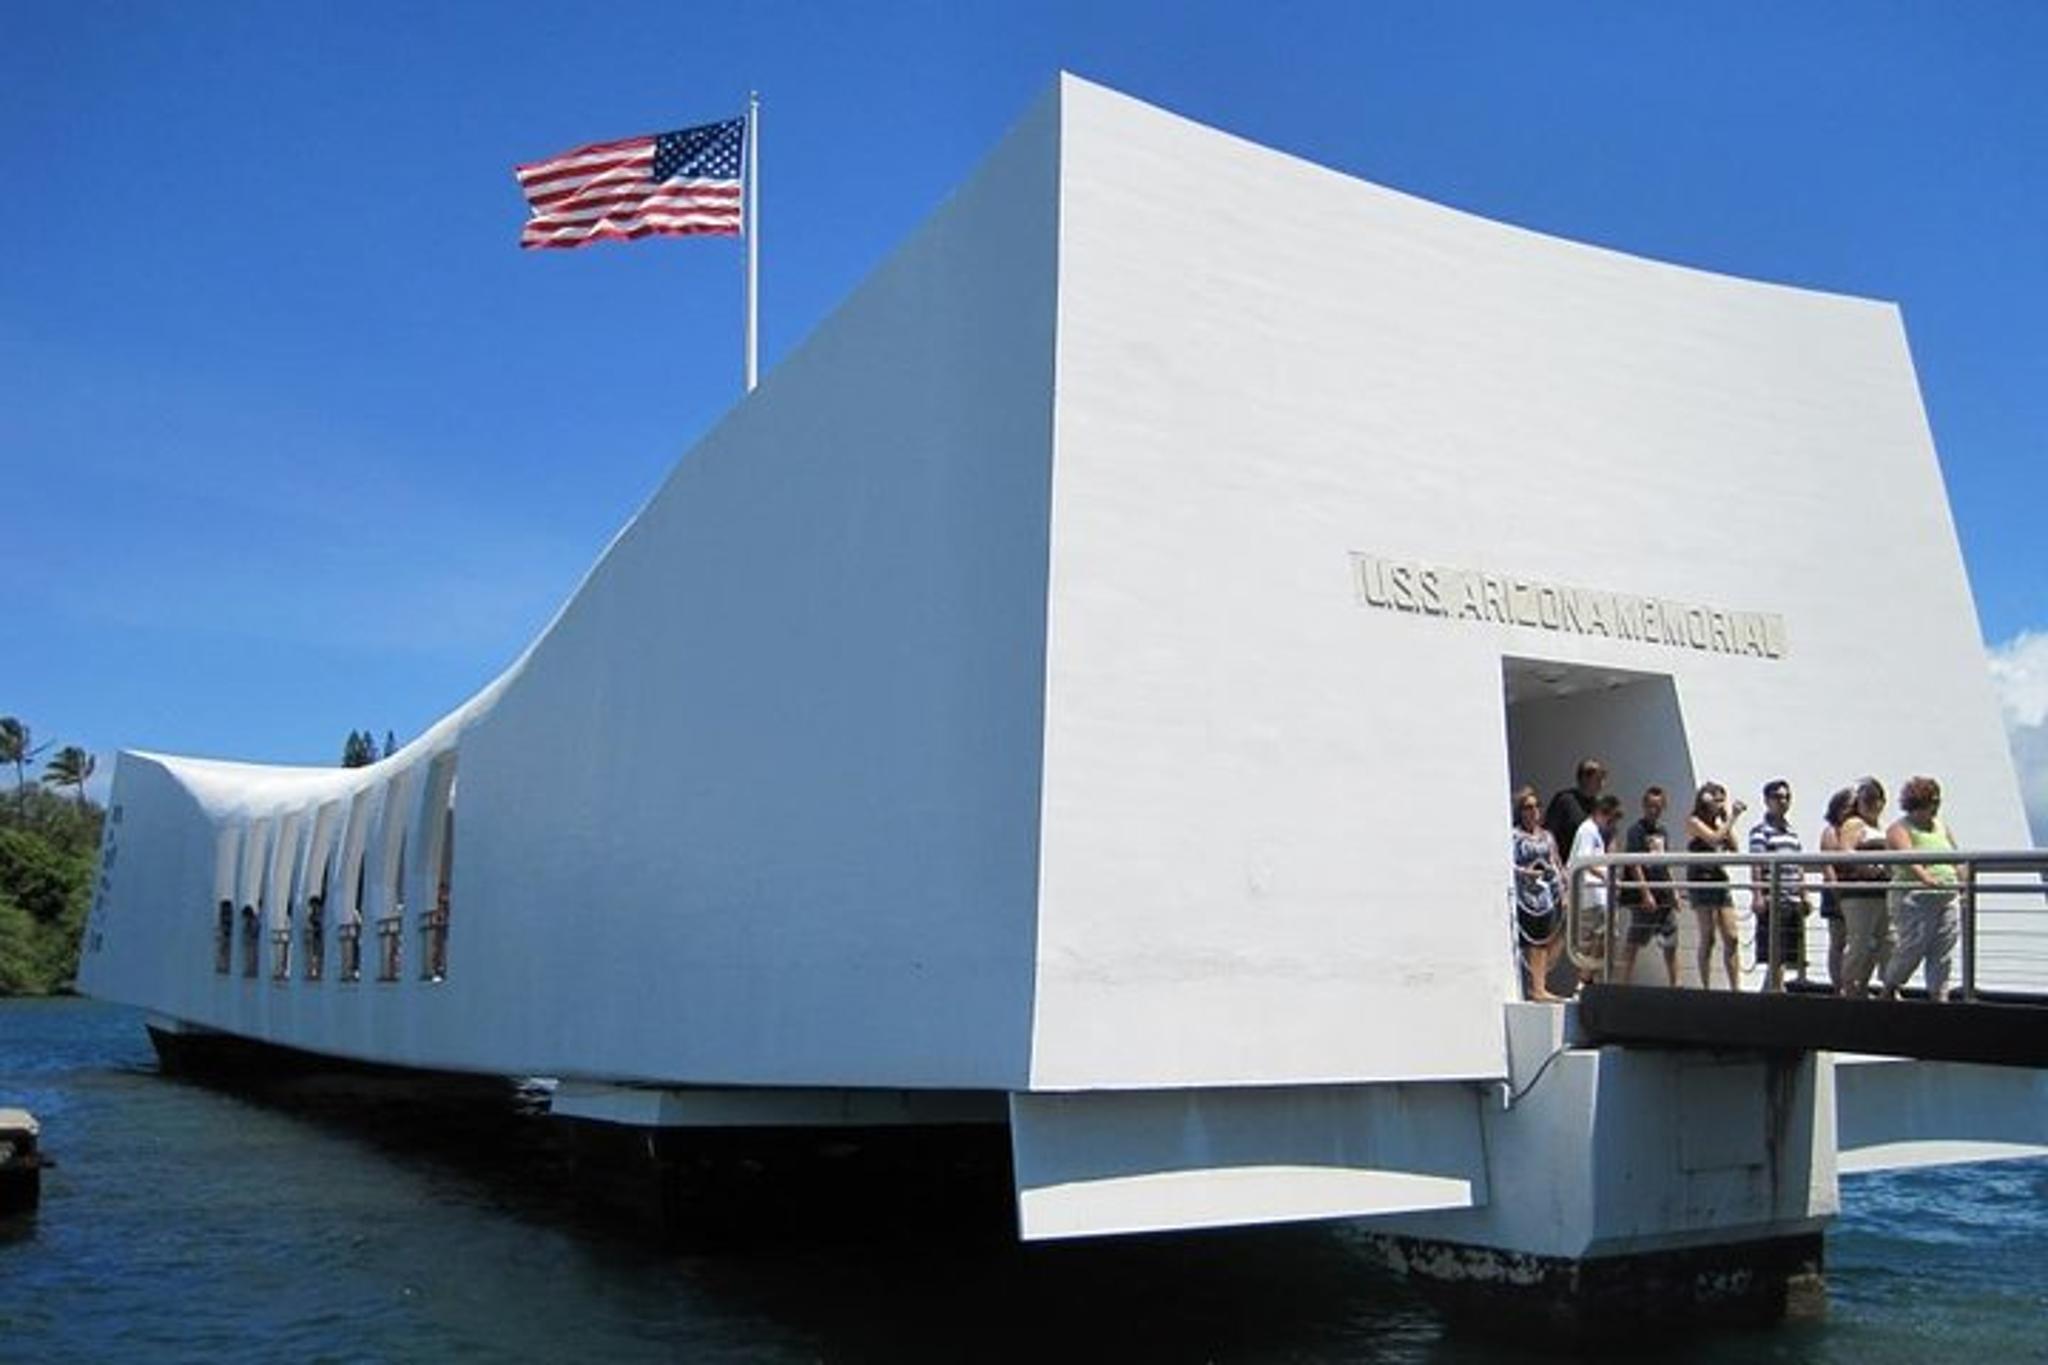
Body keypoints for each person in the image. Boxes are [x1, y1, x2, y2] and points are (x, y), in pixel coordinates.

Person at [1881, 776, 1962, 1002]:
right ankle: (1890, 987)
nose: (1936, 806)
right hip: (1915, 896)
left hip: (1947, 895)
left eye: (1937, 801)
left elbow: (1956, 856)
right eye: (1931, 802)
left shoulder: (1941, 826)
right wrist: (1925, 877)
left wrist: (1964, 881)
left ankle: (1939, 995)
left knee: (1943, 947)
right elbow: (1908, 856)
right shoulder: (1900, 827)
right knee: (1913, 945)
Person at [1747, 779, 1810, 992]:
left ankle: (1773, 988)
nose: (1783, 802)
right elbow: (1756, 864)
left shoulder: (1792, 832)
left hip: (1792, 898)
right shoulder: (1760, 831)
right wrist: (1757, 895)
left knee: (1786, 952)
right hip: (1773, 897)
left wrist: (1805, 894)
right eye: (1778, 797)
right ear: (1767, 801)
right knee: (1775, 950)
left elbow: (1798, 865)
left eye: (1786, 797)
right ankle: (1774, 990)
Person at [1685, 782, 1746, 990]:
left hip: (1719, 879)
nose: (1721, 803)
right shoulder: (1694, 822)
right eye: (1717, 799)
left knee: (1732, 936)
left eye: (1723, 799)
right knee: (1708, 936)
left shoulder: (1721, 823)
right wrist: (1732, 818)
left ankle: (1735, 987)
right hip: (1701, 880)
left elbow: (1734, 848)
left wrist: (1725, 819)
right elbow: (1712, 839)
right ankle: (1706, 986)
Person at [1835, 778, 1892, 995]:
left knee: (1888, 942)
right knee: (1859, 942)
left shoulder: (1883, 828)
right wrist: (1868, 869)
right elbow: (1845, 852)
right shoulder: (1854, 824)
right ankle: (1849, 985)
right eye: (1864, 800)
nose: (1869, 804)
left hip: (1883, 893)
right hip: (1860, 893)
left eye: (1873, 799)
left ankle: (1884, 986)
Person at [1510, 786, 1567, 1003]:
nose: (1533, 811)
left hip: (1546, 896)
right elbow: (1510, 864)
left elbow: (1556, 861)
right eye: (1528, 807)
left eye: (1536, 806)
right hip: (1526, 897)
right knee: (1533, 943)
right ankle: (1537, 988)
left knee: (1550, 940)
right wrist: (1526, 873)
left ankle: (1540, 983)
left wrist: (1563, 888)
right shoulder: (1515, 836)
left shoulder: (1547, 836)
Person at [1618, 786, 1680, 986]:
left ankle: (1676, 984)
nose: (1654, 810)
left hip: (1663, 895)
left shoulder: (1662, 832)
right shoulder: (1636, 831)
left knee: (1671, 940)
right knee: (1635, 939)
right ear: (1644, 806)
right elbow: (1634, 863)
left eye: (1658, 806)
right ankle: (1623, 983)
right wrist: (1645, 893)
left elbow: (1666, 862)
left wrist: (1674, 891)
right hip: (1644, 897)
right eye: (1650, 805)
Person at [1568, 794, 1627, 981]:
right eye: (1613, 819)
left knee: (1605, 936)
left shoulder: (1596, 833)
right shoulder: (1588, 830)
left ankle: (1588, 978)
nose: (1613, 824)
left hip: (1600, 895)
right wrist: (1605, 877)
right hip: (1591, 894)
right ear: (1604, 813)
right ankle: (1584, 979)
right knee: (1594, 938)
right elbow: (1584, 860)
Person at [1816, 787, 1856, 990]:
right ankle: (1837, 985)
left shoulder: (1857, 829)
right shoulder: (1831, 831)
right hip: (1836, 893)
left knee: (1856, 941)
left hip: (1855, 891)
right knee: (1838, 941)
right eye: (1848, 807)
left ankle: (1852, 982)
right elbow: (1828, 866)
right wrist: (1837, 893)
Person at [1544, 759, 1607, 880]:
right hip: (1570, 873)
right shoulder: (1565, 801)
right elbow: (1549, 835)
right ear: (1584, 778)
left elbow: (1609, 835)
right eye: (1598, 779)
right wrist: (1558, 867)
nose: (1602, 784)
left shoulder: (1599, 804)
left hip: (1596, 876)